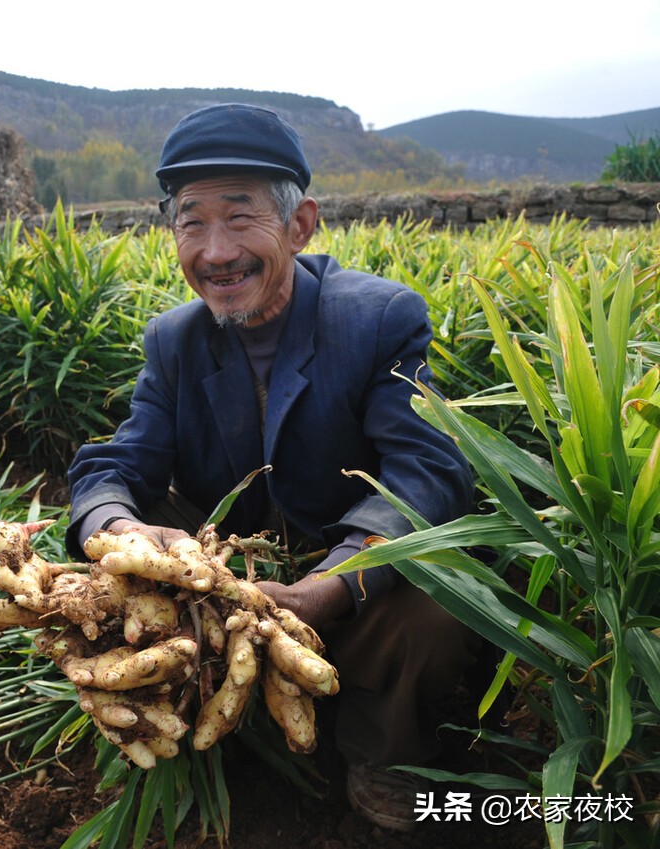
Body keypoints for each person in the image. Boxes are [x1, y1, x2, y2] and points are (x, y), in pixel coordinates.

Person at [65, 103, 480, 832]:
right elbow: (118, 464)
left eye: (240, 217)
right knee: (101, 581)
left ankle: (378, 744)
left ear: (300, 225)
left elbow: (426, 473)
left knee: (436, 608)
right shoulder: (173, 341)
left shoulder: (377, 317)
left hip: (343, 585)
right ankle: (208, 715)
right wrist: (120, 527)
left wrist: (327, 587)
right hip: (225, 587)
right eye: (192, 222)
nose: (216, 250)